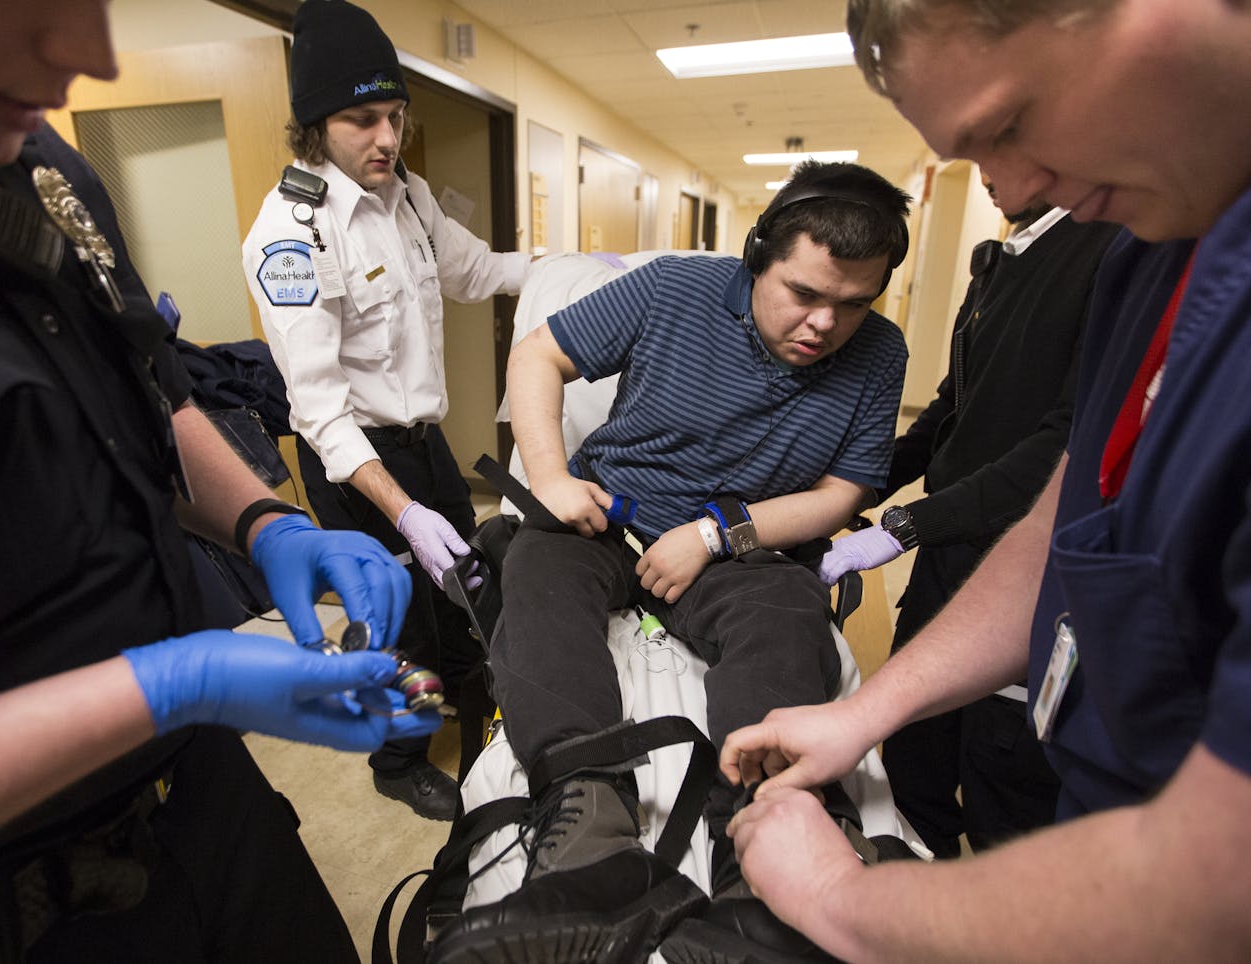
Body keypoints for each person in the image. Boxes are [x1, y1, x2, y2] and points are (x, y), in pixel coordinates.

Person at [0, 2, 438, 960]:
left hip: (198, 801)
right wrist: (161, 686)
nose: (86, 56)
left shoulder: (45, 171)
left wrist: (267, 523)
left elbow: (149, 396)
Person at [719, 1, 1251, 959]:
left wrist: (838, 895)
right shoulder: (1153, 249)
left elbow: (1212, 886)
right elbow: (1070, 518)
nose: (1010, 184)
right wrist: (863, 713)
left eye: (1009, 126)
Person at [435, 161, 911, 960]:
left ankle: (755, 850)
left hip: (738, 544)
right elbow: (536, 357)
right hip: (611, 520)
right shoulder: (671, 291)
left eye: (852, 305)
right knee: (537, 570)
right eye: (804, 293)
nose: (825, 324)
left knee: (789, 612)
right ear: (760, 255)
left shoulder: (882, 353)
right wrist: (551, 477)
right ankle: (591, 824)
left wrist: (717, 535)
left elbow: (842, 490)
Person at [243, 0, 532, 821]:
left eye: (395, 115)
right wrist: (402, 515)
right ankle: (398, 761)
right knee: (397, 620)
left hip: (422, 442)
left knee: (464, 585)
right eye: (362, 119)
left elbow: (473, 272)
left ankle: (475, 700)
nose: (387, 137)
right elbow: (322, 415)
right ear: (314, 126)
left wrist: (570, 269)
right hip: (354, 464)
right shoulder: (292, 235)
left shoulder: (406, 195)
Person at [817, 178, 1120, 857]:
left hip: (1031, 575)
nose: (984, 168)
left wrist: (907, 526)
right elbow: (952, 414)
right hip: (951, 556)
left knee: (1003, 792)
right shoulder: (1001, 260)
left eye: (1000, 139)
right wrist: (840, 490)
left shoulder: (1111, 252)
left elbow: (1062, 448)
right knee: (914, 766)